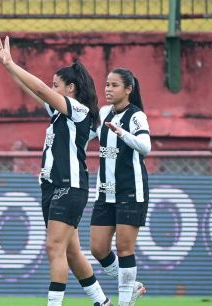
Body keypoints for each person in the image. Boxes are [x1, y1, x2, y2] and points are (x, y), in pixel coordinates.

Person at [0, 35, 111, 306]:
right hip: (52, 187)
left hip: (68, 187)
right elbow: (34, 89)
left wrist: (12, 62)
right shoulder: (59, 113)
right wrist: (7, 65)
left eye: (56, 85)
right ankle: (103, 302)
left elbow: (41, 90)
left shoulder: (78, 110)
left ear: (70, 88)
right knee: (71, 253)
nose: (50, 88)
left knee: (53, 247)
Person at [89, 68, 150, 306]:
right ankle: (131, 285)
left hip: (130, 190)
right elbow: (89, 137)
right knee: (98, 248)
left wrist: (122, 133)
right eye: (107, 84)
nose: (108, 89)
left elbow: (146, 147)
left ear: (128, 89)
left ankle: (125, 302)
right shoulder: (104, 112)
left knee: (124, 249)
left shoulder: (136, 117)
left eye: (114, 85)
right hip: (105, 191)